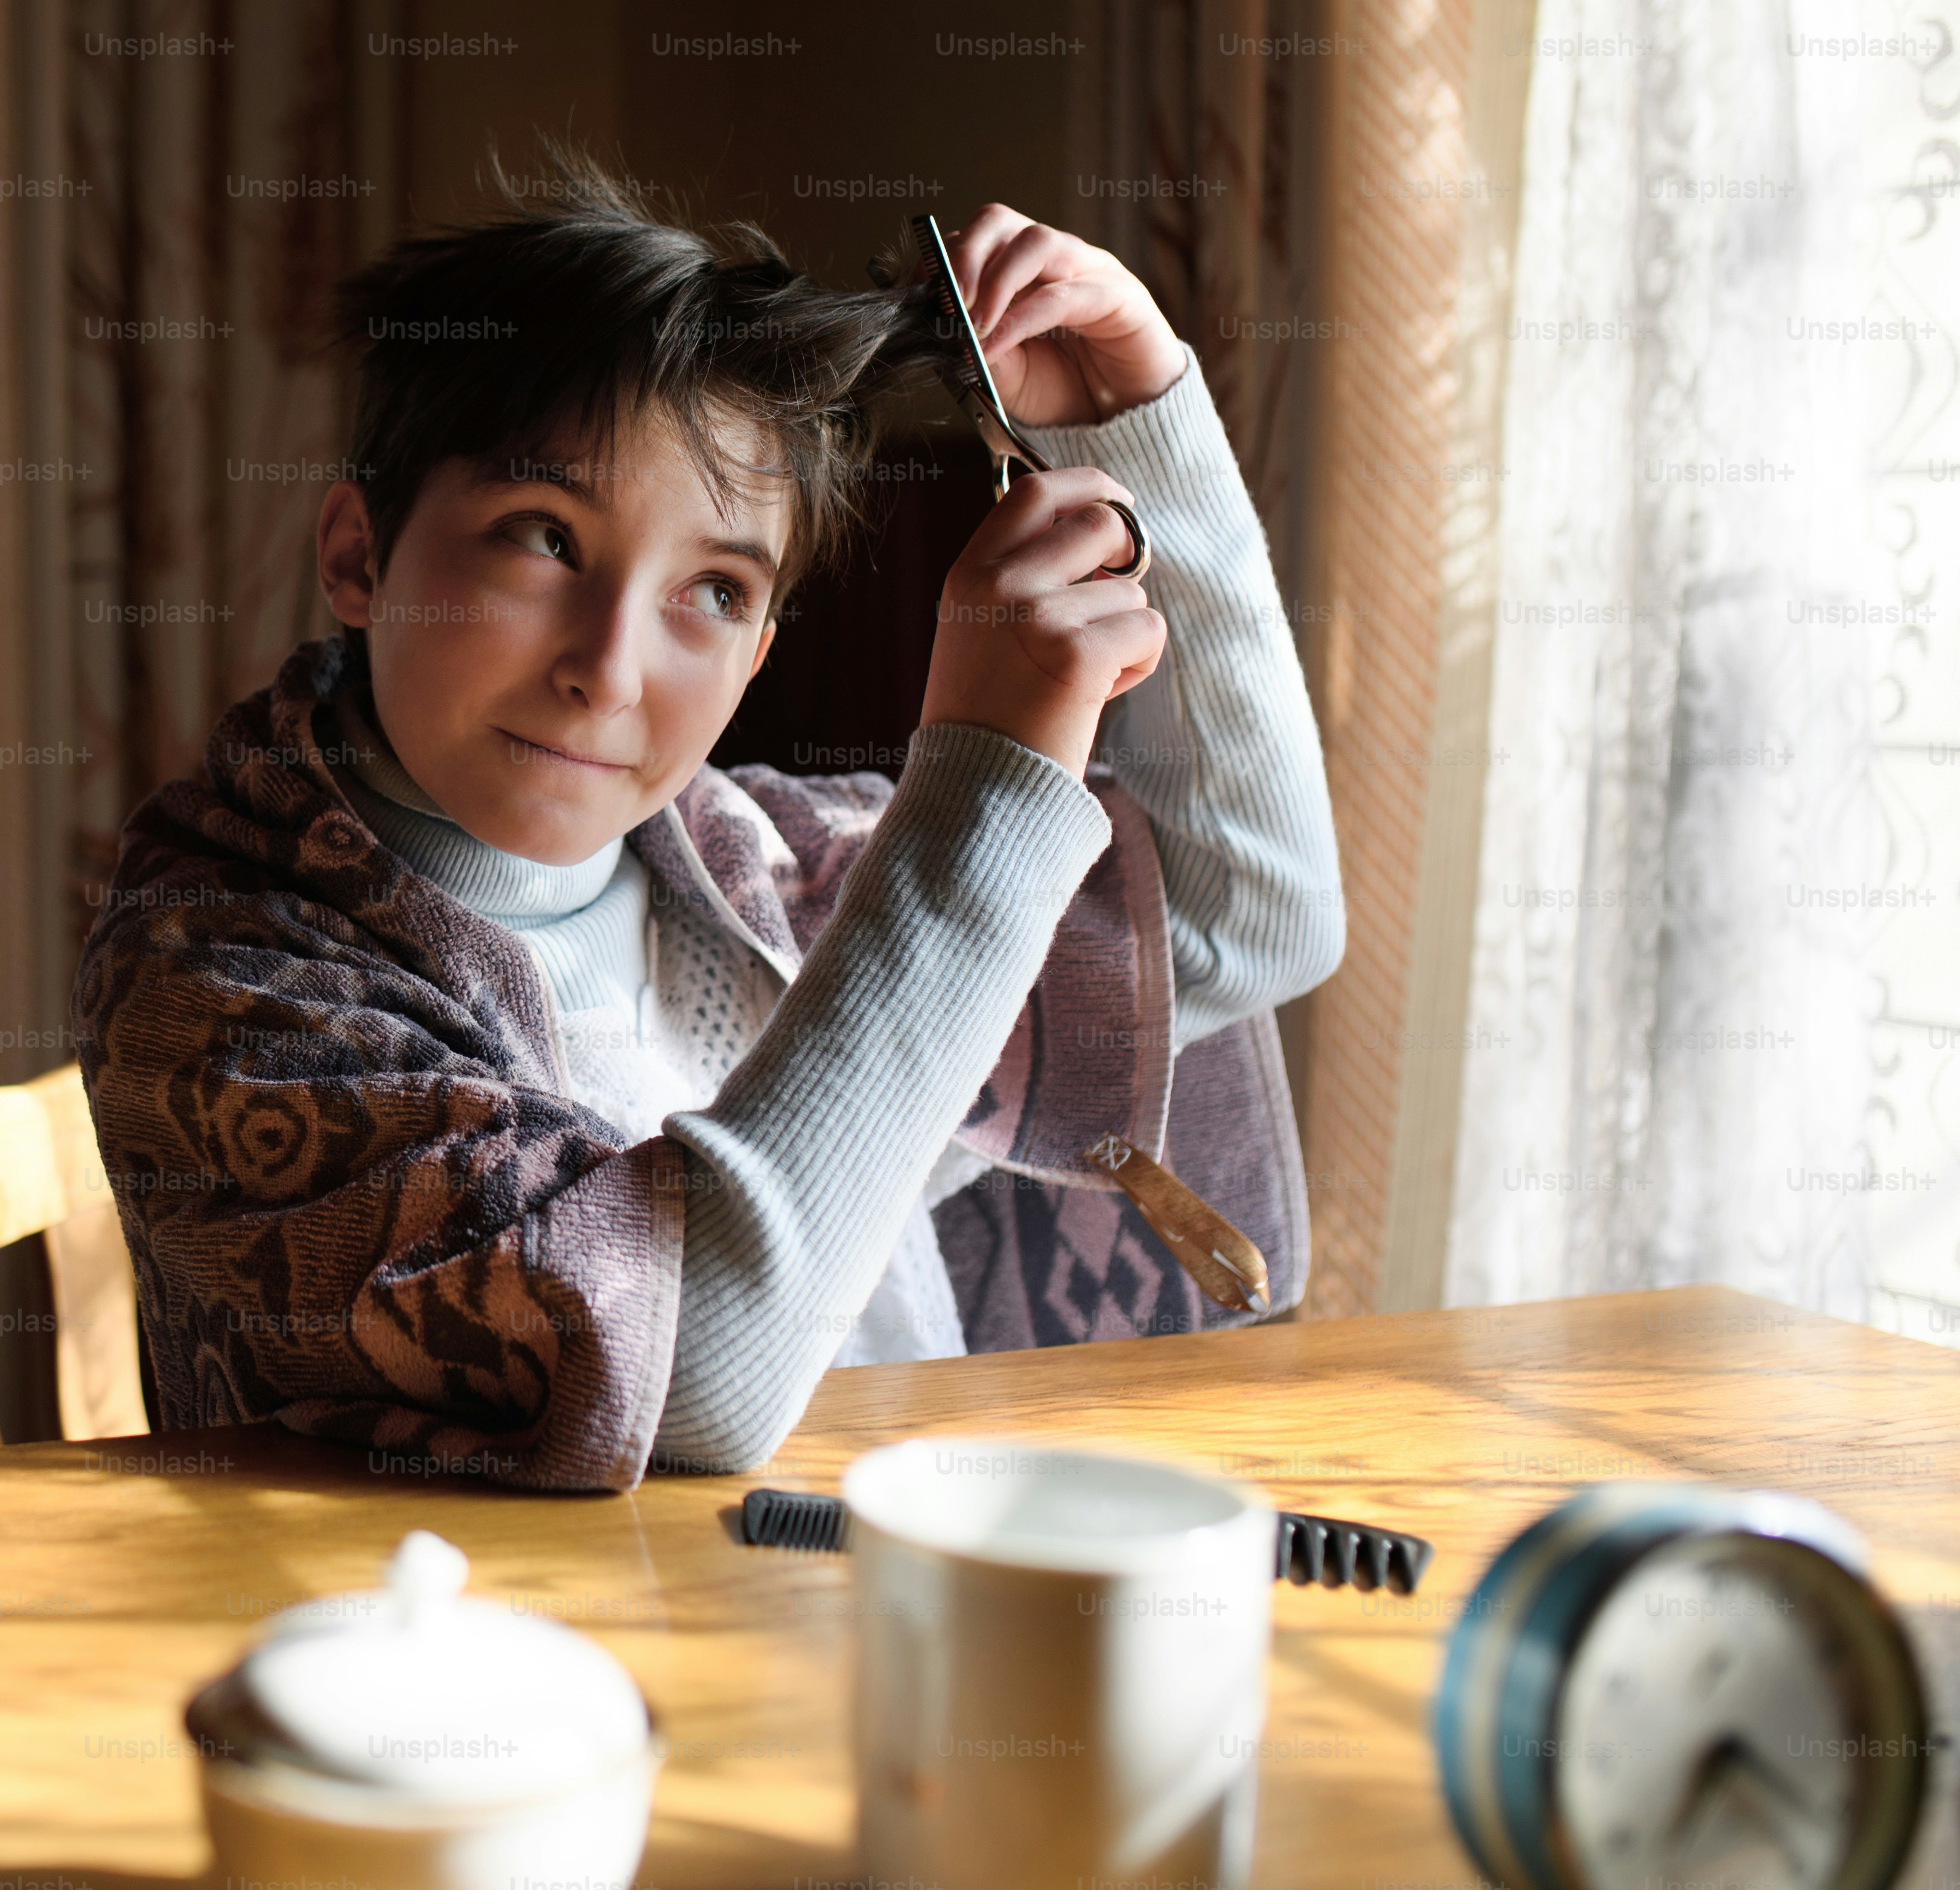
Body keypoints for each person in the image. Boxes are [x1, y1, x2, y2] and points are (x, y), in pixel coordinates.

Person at [71, 161, 1341, 1490]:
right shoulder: (219, 973)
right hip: (468, 1668)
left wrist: (1138, 429)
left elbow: (1247, 913)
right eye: (542, 538)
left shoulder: (739, 865)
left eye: (716, 591)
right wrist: (984, 788)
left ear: (758, 656)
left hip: (845, 1617)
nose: (610, 670)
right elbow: (689, 1379)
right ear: (358, 558)